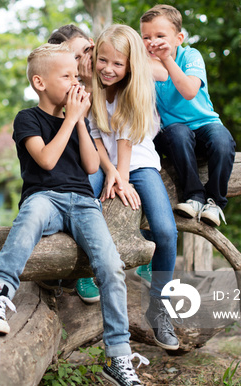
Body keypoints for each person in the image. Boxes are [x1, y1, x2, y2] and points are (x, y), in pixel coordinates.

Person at [0, 43, 148, 386]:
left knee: (111, 266)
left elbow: (89, 165)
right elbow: (46, 160)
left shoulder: (79, 120)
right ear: (40, 83)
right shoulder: (28, 118)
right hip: (45, 197)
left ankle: (117, 356)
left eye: (76, 75)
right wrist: (70, 119)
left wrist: (80, 122)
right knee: (27, 222)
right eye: (67, 76)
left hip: (84, 203)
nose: (77, 82)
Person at [87, 24, 180, 351]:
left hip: (137, 162)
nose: (108, 70)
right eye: (103, 60)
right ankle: (85, 272)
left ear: (130, 67)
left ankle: (159, 305)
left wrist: (122, 178)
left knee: (166, 232)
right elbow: (95, 137)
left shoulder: (135, 90)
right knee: (84, 196)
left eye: (117, 64)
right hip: (101, 162)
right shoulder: (91, 88)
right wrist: (110, 172)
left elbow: (125, 142)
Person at [140, 4, 236, 227]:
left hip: (205, 124)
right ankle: (194, 197)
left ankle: (215, 202)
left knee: (222, 141)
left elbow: (189, 91)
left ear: (178, 38)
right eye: (146, 36)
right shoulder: (143, 64)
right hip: (174, 135)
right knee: (177, 133)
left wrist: (167, 59)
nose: (152, 42)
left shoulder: (191, 55)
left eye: (160, 35)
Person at [46, 25, 101, 304]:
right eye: (76, 59)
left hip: (123, 157)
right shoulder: (70, 92)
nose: (86, 61)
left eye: (87, 51)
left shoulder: (113, 73)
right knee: (87, 185)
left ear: (93, 43)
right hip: (90, 161)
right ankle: (83, 271)